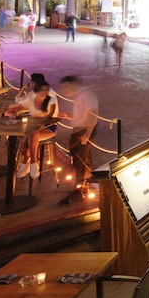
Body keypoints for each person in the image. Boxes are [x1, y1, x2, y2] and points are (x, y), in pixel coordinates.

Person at [57, 75, 100, 203]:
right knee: (83, 159)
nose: (64, 91)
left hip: (82, 131)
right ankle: (84, 186)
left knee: (79, 161)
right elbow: (82, 115)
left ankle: (79, 190)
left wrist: (87, 134)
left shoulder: (87, 95)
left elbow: (92, 115)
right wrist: (68, 115)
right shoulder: (81, 95)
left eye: (66, 87)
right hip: (80, 130)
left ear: (73, 84)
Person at [17, 81, 59, 180]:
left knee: (31, 134)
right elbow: (19, 103)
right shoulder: (32, 98)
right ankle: (32, 163)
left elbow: (52, 116)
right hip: (35, 128)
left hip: (49, 127)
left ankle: (28, 162)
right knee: (31, 133)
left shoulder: (51, 100)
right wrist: (11, 110)